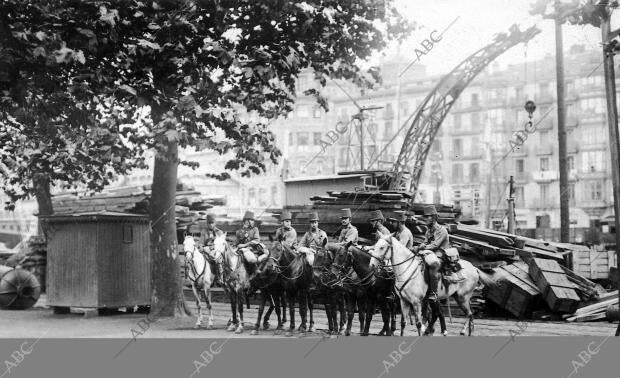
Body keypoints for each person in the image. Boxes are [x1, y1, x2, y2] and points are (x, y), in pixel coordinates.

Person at [412, 205, 449, 302]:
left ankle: (434, 293)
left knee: (433, 265)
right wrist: (418, 247)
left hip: (440, 253)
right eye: (425, 217)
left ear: (433, 217)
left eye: (427, 217)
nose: (425, 219)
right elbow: (426, 241)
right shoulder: (428, 230)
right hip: (430, 252)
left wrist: (423, 247)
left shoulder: (442, 230)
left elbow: (435, 245)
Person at [201, 213, 224, 285]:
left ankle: (219, 278)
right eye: (209, 223)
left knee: (217, 259)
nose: (211, 225)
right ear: (207, 224)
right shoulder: (204, 231)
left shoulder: (219, 232)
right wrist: (201, 246)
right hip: (206, 249)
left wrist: (214, 247)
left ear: (215, 223)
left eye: (212, 223)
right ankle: (199, 277)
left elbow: (221, 244)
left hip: (215, 249)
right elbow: (201, 241)